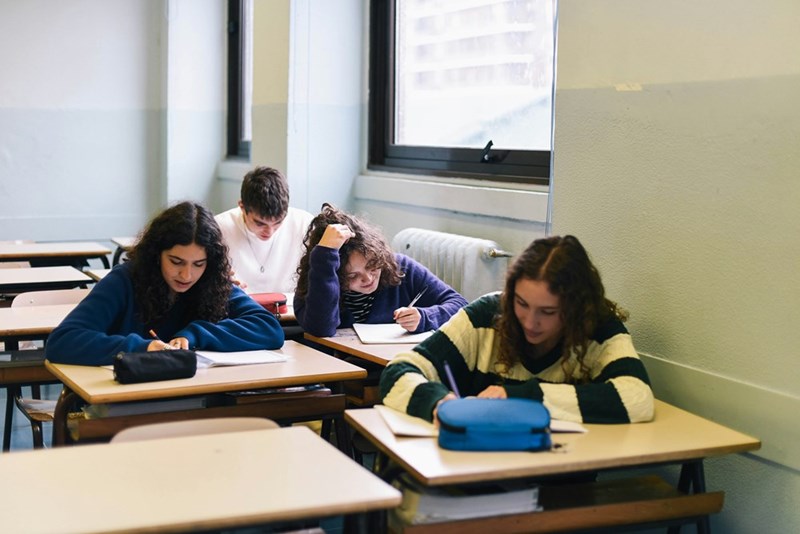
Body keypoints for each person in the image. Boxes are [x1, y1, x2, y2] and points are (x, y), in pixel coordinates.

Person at [379, 235, 654, 425]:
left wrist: (519, 397)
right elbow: (398, 372)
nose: (530, 322)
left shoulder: (598, 326)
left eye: (548, 312)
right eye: (521, 303)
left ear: (575, 308)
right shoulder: (487, 314)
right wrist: (438, 403)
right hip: (482, 475)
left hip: (565, 479)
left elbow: (636, 397)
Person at [45, 201, 285, 366]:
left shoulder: (211, 282)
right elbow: (63, 341)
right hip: (125, 403)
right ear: (156, 254)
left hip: (195, 399)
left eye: (198, 264)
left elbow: (269, 329)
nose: (187, 275)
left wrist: (194, 335)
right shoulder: (124, 281)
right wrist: (144, 348)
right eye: (176, 261)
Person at [293, 203, 469, 337]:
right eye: (353, 276)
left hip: (387, 366)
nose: (368, 278)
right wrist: (325, 255)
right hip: (338, 372)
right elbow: (320, 329)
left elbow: (460, 305)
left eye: (372, 266)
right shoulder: (316, 279)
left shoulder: (400, 267)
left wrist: (424, 317)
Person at [215, 166, 313, 294]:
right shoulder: (219, 228)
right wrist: (219, 281)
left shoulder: (304, 224)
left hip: (291, 310)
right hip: (240, 309)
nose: (270, 231)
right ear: (242, 207)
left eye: (278, 222)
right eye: (260, 223)